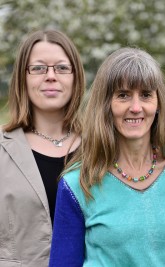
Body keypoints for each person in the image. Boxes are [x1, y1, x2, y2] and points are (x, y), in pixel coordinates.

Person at [49, 47, 165, 266]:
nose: (136, 107)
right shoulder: (78, 183)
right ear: (105, 105)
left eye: (145, 95)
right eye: (123, 95)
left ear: (158, 104)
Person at [0, 29, 85, 266]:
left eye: (61, 68)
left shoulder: (102, 147)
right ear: (22, 78)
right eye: (38, 68)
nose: (50, 76)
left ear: (75, 77)